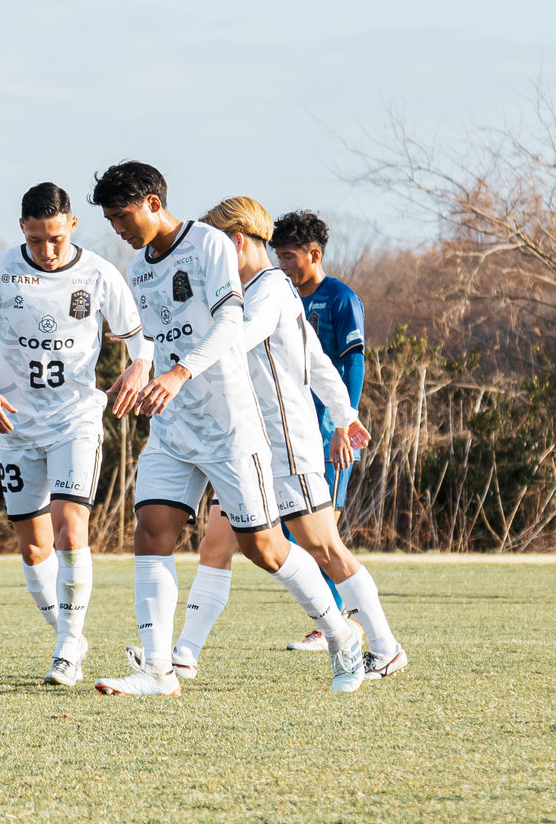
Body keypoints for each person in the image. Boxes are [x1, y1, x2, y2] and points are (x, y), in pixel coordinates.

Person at [87, 163, 364, 697]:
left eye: (122, 216)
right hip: (173, 425)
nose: (118, 228)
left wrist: (178, 371)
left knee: (264, 548)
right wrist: (141, 363)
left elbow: (230, 324)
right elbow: (149, 335)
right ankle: (158, 671)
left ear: (151, 202)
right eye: (111, 219)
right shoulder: (140, 266)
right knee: (151, 530)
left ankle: (342, 634)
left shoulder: (209, 245)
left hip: (230, 426)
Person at [127, 197, 406, 682]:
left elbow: (237, 335)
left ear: (233, 242)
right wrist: (344, 414)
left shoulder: (268, 288)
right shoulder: (251, 287)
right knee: (216, 544)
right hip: (238, 442)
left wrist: (166, 346)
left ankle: (383, 645)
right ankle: (183, 655)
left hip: (284, 445)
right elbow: (316, 358)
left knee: (323, 547)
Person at [0, 182, 150, 686]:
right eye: (37, 239)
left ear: (73, 226)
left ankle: (66, 654)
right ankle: (70, 635)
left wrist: (138, 366)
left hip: (75, 422)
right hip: (15, 424)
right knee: (32, 548)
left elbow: (139, 338)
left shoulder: (101, 274)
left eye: (56, 237)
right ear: (23, 229)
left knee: (69, 529)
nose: (47, 249)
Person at [274, 210, 366, 651]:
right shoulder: (283, 300)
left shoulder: (340, 299)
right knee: (295, 534)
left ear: (313, 255)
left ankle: (340, 624)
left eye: (289, 257)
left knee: (321, 535)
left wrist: (343, 426)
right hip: (294, 434)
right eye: (278, 257)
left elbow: (353, 364)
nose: (283, 266)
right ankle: (334, 621)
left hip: (329, 435)